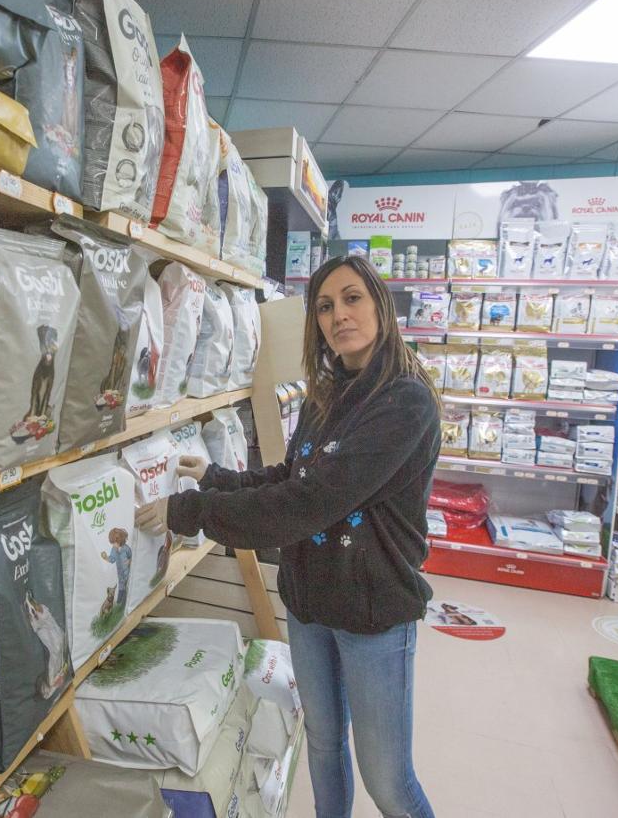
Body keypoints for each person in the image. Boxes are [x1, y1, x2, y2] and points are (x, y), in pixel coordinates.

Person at [137, 254, 442, 818]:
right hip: (309, 604)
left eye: (352, 298)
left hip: (374, 614)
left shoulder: (405, 401)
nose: (338, 315)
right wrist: (219, 476)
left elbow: (309, 503)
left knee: (388, 780)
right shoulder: (328, 392)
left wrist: (192, 510)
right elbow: (291, 474)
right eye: (324, 306)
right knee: (323, 747)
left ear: (380, 304)